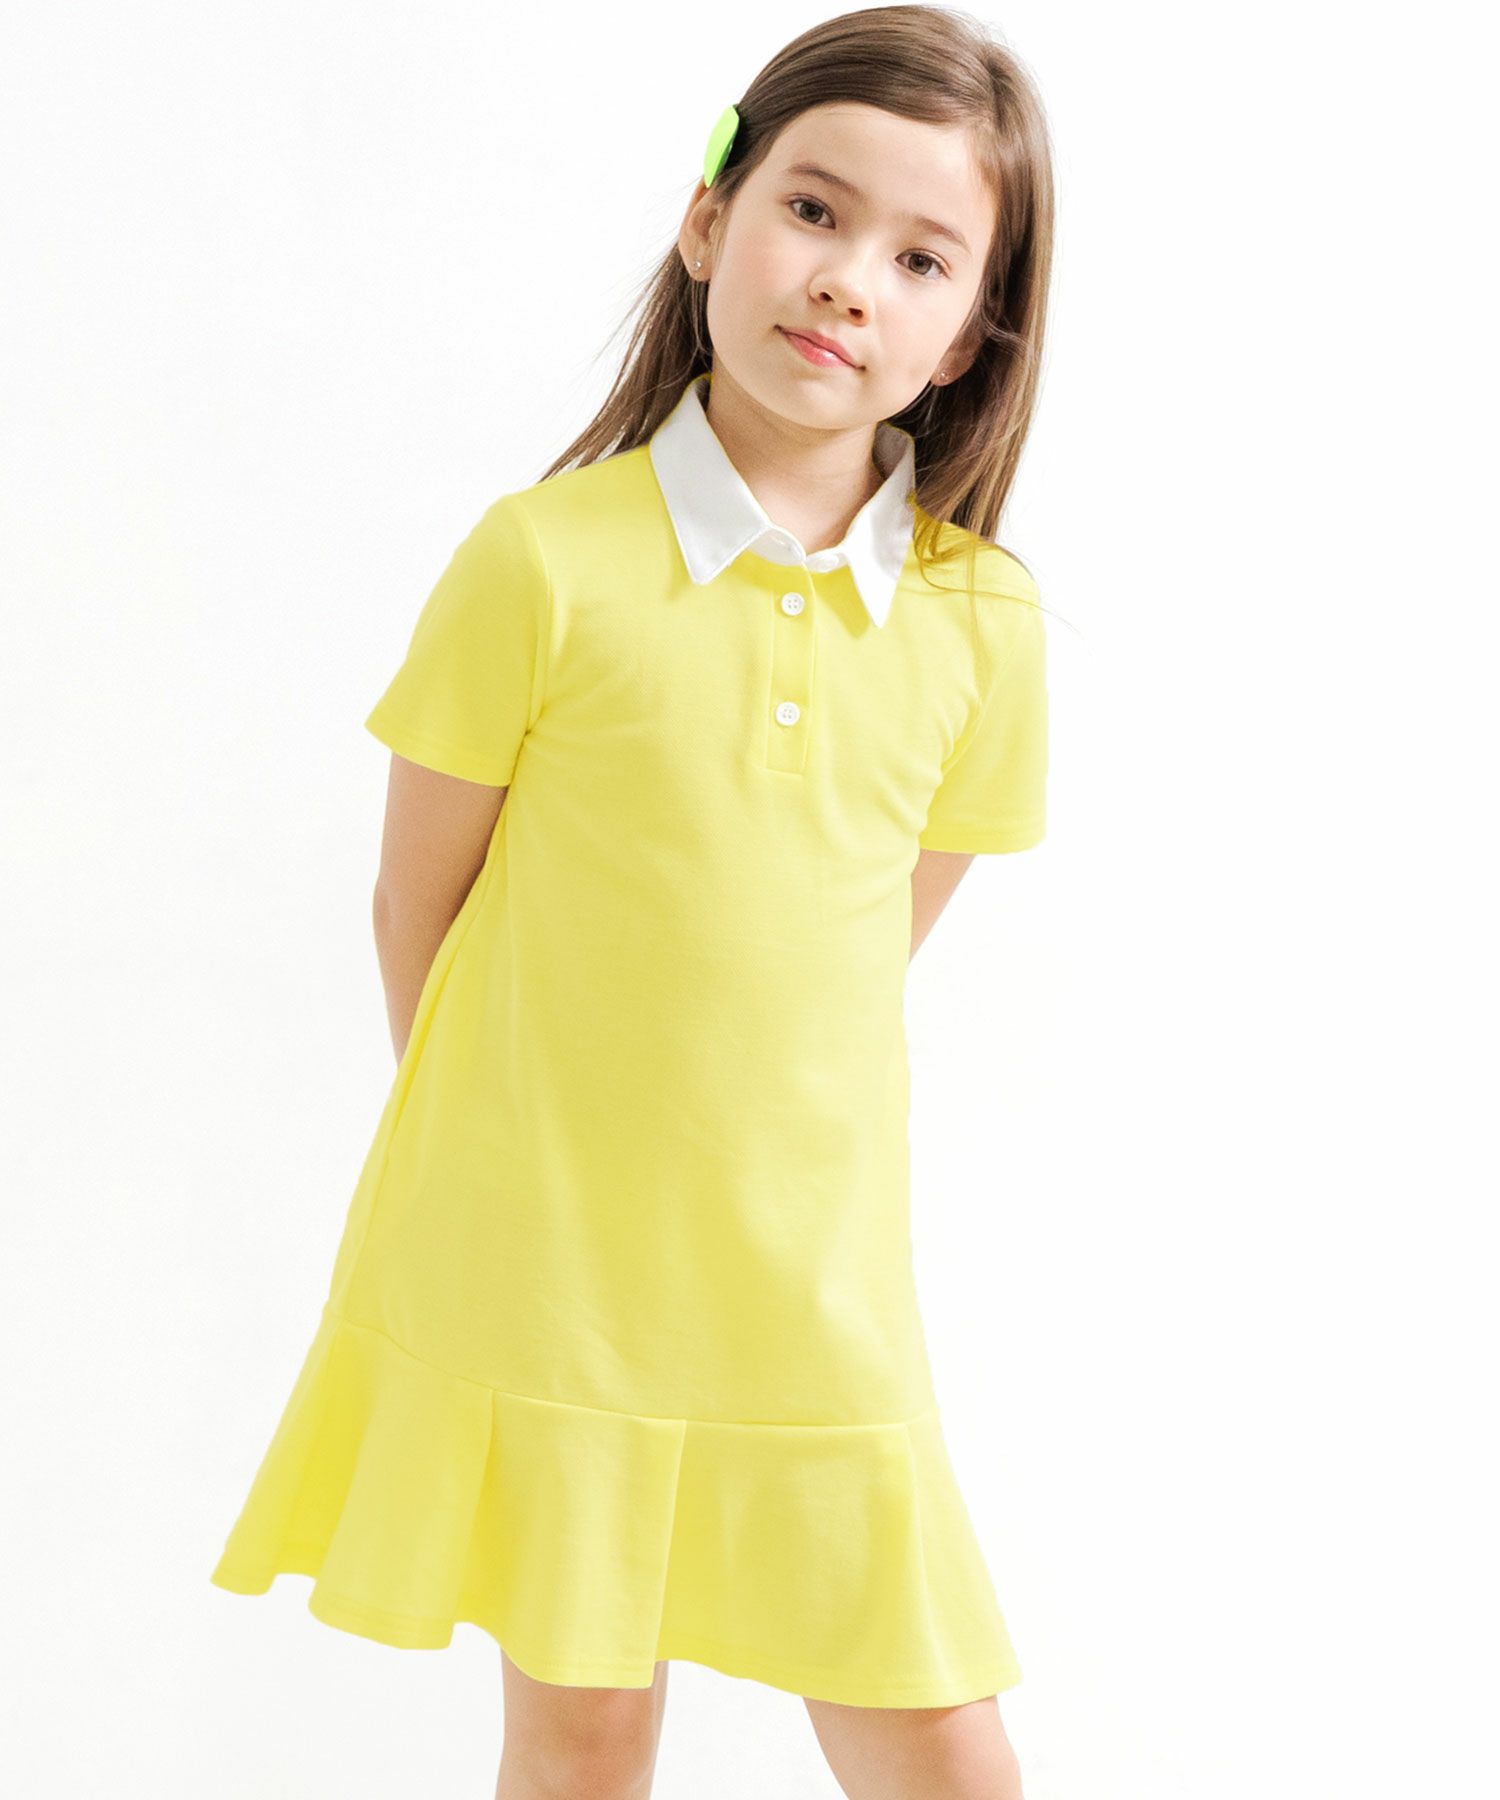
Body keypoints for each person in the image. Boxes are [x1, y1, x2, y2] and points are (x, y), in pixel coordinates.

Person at [209, 6, 1057, 1795]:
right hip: (549, 1266)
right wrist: (527, 1155)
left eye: (921, 258)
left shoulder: (983, 624)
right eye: (813, 211)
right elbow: (418, 908)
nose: (847, 282)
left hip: (808, 1279)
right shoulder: (543, 561)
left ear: (972, 331)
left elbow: (869, 944)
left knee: (930, 1725)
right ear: (708, 219)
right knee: (582, 1726)